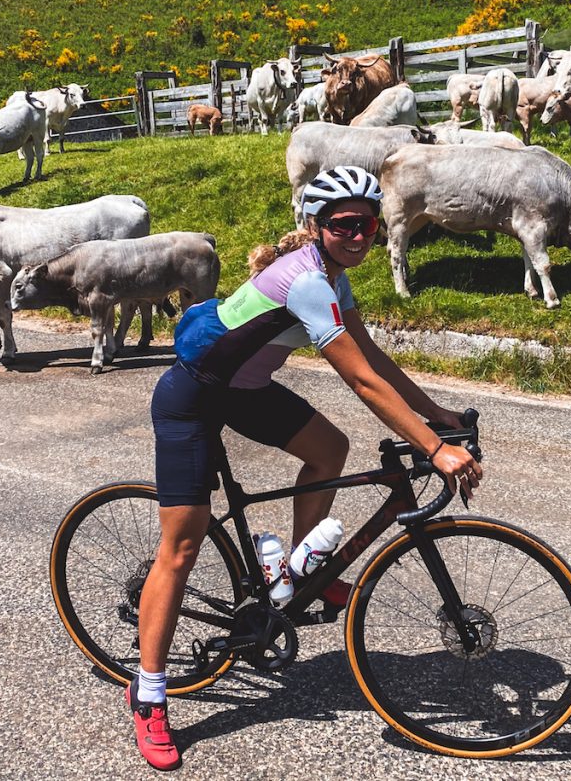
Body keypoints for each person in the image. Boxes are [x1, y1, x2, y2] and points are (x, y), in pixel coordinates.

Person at [129, 165, 483, 770]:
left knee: (329, 449)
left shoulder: (335, 278)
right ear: (316, 227)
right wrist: (434, 448)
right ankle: (151, 693)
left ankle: (290, 574)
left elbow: (374, 358)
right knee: (181, 548)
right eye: (345, 224)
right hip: (191, 397)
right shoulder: (307, 282)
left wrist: (439, 415)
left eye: (368, 224)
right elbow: (361, 380)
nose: (360, 234)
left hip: (245, 389)